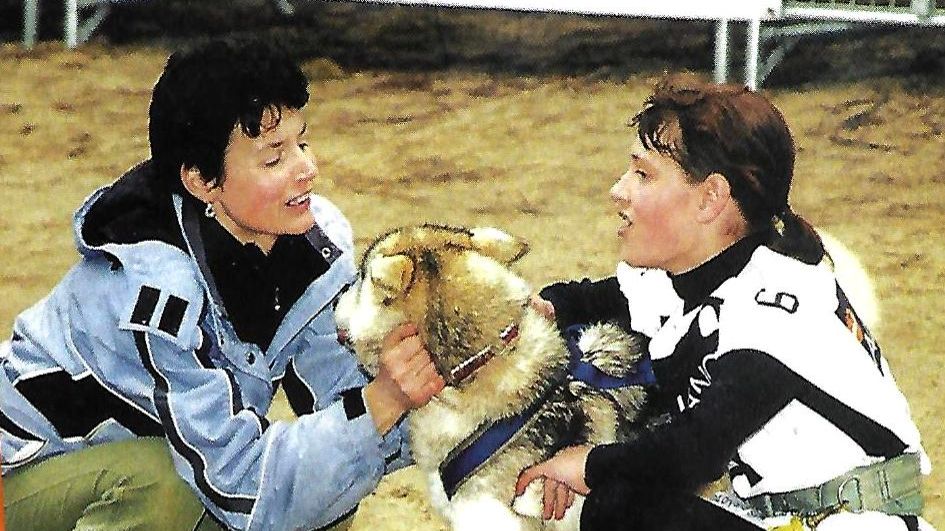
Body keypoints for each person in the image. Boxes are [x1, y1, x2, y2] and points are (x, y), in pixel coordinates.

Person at [1, 37, 444, 531]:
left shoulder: (313, 246)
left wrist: (446, 379)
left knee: (328, 486)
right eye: (274, 159)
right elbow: (238, 482)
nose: (307, 170)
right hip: (19, 473)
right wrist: (382, 401)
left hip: (137, 459)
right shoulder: (159, 289)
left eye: (302, 143)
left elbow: (347, 402)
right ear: (201, 181)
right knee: (167, 489)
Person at [516, 75, 933, 531]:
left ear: (710, 198)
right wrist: (537, 309)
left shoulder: (777, 300)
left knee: (621, 508)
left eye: (643, 175)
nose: (619, 191)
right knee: (621, 504)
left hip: (854, 522)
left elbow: (694, 452)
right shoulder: (694, 281)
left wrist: (586, 465)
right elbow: (593, 299)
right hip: (787, 517)